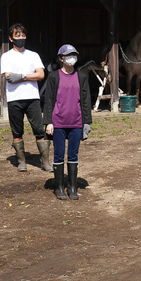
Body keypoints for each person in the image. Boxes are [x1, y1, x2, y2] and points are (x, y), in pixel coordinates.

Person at [42, 44, 92, 200]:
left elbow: (86, 101)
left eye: (74, 54)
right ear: (61, 58)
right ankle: (59, 187)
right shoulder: (54, 77)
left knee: (73, 155)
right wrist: (48, 122)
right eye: (68, 55)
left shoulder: (82, 76)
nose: (72, 57)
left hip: (76, 122)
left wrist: (87, 122)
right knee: (58, 155)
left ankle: (72, 187)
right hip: (58, 122)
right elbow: (49, 99)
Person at [0, 23, 50, 172]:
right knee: (17, 131)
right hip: (14, 98)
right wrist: (30, 76)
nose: (21, 38)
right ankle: (21, 160)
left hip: (32, 97)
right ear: (11, 38)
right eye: (17, 36)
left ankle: (45, 161)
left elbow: (41, 75)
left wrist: (21, 76)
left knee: (39, 130)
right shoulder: (6, 56)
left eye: (23, 35)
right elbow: (9, 78)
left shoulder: (33, 55)